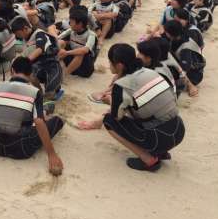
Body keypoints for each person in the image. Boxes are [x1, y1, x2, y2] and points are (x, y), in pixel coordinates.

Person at [79, 43, 185, 172]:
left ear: (119, 65)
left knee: (109, 121)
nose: (109, 65)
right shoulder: (151, 72)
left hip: (159, 138)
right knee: (143, 111)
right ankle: (160, 152)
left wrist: (110, 101)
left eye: (110, 62)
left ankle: (148, 160)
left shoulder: (121, 85)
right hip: (178, 129)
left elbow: (116, 117)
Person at [11, 18, 62, 98]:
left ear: (25, 29)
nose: (17, 36)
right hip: (39, 65)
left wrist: (25, 62)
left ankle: (55, 88)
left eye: (18, 33)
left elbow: (39, 49)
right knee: (29, 72)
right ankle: (39, 92)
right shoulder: (26, 38)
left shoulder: (39, 33)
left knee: (49, 94)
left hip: (52, 65)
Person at [164, 20, 205, 96]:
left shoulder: (185, 48)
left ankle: (189, 85)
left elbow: (184, 69)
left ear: (170, 34)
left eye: (166, 32)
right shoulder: (180, 36)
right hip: (188, 65)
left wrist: (190, 85)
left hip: (194, 75)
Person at [58, 8, 97, 77]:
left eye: (71, 22)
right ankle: (54, 65)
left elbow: (85, 50)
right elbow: (59, 37)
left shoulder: (91, 35)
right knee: (61, 42)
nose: (70, 24)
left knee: (80, 53)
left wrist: (66, 53)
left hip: (84, 66)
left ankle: (64, 75)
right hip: (71, 58)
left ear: (80, 24)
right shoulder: (71, 30)